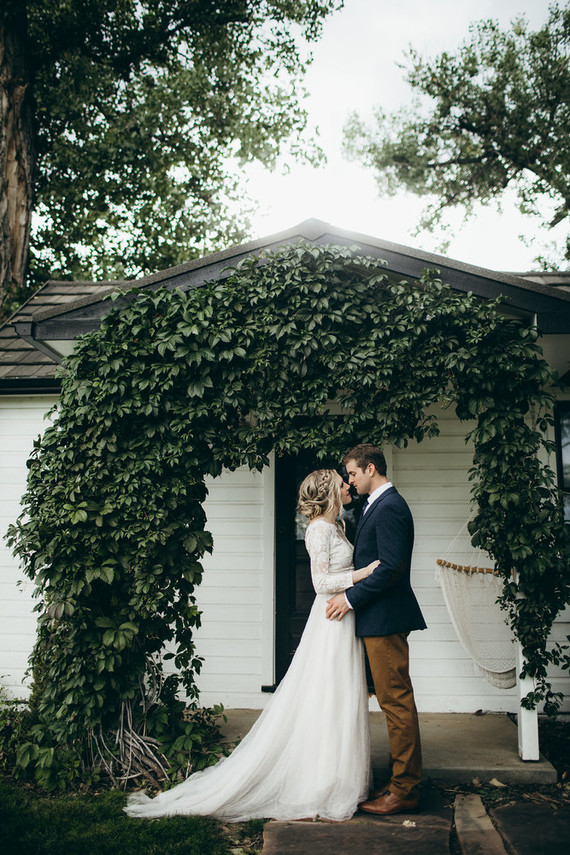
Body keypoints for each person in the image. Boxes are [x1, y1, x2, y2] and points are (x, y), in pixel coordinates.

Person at [125, 469, 378, 822]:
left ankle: (341, 775)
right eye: (341, 482)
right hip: (330, 620)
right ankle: (320, 781)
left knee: (342, 695)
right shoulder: (318, 530)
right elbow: (320, 582)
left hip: (343, 617)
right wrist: (361, 574)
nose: (348, 485)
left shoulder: (338, 526)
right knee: (327, 694)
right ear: (330, 492)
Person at [326, 444, 426, 816]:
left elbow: (391, 569)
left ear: (370, 469)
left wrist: (350, 599)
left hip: (385, 619)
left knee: (396, 702)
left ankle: (405, 789)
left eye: (352, 473)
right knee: (392, 701)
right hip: (378, 619)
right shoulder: (378, 505)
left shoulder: (391, 507)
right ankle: (402, 780)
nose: (350, 480)